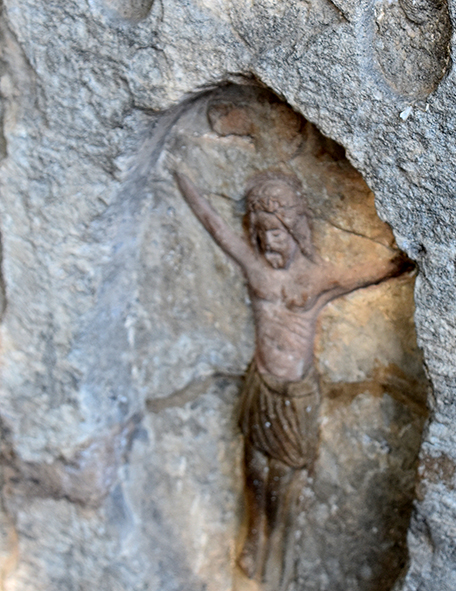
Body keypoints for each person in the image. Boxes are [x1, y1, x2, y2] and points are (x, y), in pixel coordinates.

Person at [173, 168, 412, 582]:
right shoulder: (256, 269)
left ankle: (276, 555)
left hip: (295, 394)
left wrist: (415, 249)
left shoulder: (317, 279)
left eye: (277, 234)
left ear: (297, 232)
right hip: (261, 384)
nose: (268, 243)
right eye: (261, 234)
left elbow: (368, 273)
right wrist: (184, 180)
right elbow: (216, 227)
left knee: (283, 480)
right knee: (252, 466)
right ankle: (253, 538)